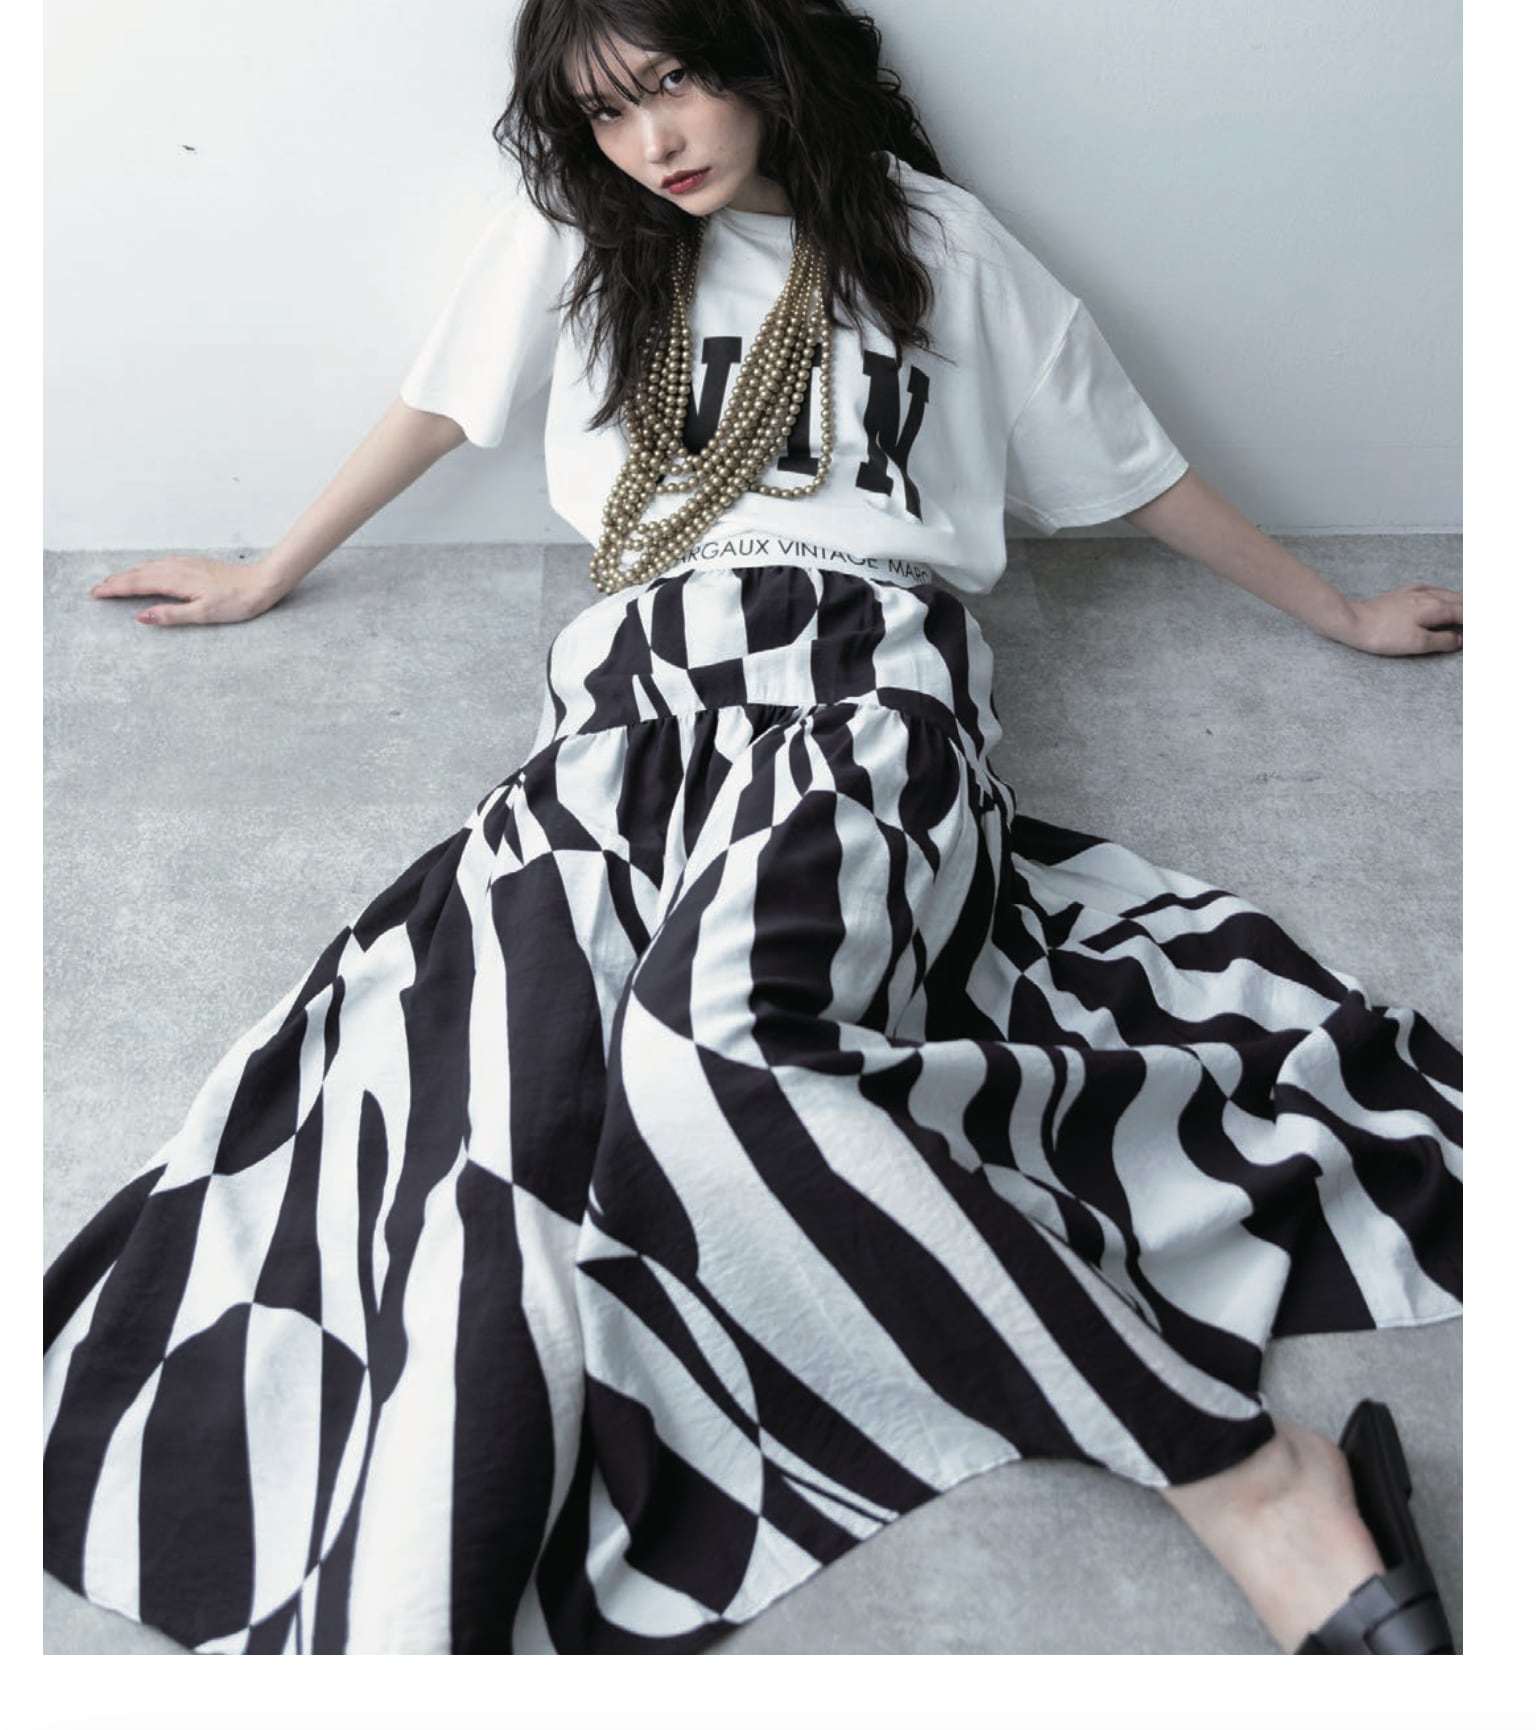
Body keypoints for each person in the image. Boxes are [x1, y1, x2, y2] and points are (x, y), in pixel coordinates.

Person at [44, 0, 1462, 1655]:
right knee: (509, 1132)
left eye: (675, 82)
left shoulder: (939, 246)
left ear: (761, 61)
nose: (652, 140)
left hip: (863, 693)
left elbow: (1134, 469)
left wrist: (1341, 613)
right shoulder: (579, 242)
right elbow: (436, 402)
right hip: (618, 728)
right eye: (606, 113)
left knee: (708, 1056)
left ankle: (1252, 1478)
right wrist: (267, 568)